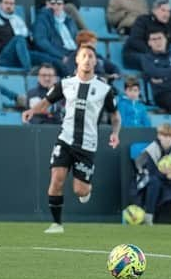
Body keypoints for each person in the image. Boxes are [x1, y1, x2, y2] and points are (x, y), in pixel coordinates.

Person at [22, 44, 121, 234]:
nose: (87, 59)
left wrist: (115, 133)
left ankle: (86, 189)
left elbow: (115, 116)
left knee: (80, 191)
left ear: (95, 61)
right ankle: (57, 224)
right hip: (65, 140)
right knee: (57, 179)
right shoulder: (65, 84)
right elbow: (45, 102)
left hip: (87, 144)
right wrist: (31, 111)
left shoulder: (104, 89)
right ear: (77, 59)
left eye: (91, 56)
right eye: (83, 55)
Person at [32, 0, 78, 77]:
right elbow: (41, 42)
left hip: (72, 52)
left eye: (59, 4)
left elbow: (76, 38)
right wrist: (61, 56)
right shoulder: (42, 19)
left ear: (63, 5)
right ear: (47, 4)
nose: (56, 6)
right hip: (56, 53)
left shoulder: (68, 20)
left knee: (97, 60)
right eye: (52, 3)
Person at [123, 0, 171, 70]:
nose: (166, 14)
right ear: (154, 10)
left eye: (169, 11)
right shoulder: (142, 20)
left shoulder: (168, 27)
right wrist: (152, 53)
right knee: (153, 61)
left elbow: (166, 46)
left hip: (155, 56)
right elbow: (135, 40)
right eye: (163, 10)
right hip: (134, 53)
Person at [0, 0, 32, 69]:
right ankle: (29, 70)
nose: (9, 6)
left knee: (48, 59)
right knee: (19, 38)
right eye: (6, 3)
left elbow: (28, 43)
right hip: (3, 58)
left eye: (11, 4)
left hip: (21, 55)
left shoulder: (18, 20)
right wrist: (8, 43)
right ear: (0, 4)